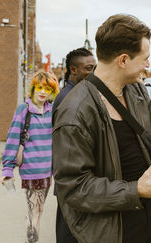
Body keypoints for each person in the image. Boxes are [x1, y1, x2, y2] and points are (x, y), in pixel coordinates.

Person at [52, 14, 151, 243]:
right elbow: (73, 187)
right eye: (144, 58)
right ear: (123, 60)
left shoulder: (135, 90)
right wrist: (135, 190)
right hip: (114, 228)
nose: (148, 65)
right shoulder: (75, 111)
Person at [1, 71, 59, 243]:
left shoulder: (51, 111)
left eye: (47, 89)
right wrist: (7, 169)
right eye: (39, 87)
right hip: (31, 170)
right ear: (33, 88)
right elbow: (12, 139)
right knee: (35, 213)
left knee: (38, 211)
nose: (43, 92)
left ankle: (29, 226)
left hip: (47, 172)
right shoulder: (24, 110)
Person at [52, 47, 96, 243]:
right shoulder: (67, 99)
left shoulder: (77, 93)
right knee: (68, 232)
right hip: (70, 180)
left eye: (94, 67)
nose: (93, 72)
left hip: (73, 179)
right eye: (88, 68)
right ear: (73, 69)